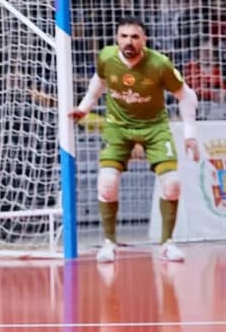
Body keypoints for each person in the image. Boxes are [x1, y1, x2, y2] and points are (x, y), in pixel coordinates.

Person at [70, 16, 199, 262]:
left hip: (154, 128)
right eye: (124, 36)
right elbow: (97, 85)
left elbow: (187, 96)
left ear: (144, 40)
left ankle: (167, 244)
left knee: (172, 184)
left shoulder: (160, 64)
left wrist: (190, 134)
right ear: (117, 38)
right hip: (118, 127)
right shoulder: (106, 57)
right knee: (107, 183)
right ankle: (109, 243)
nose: (129, 41)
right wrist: (84, 108)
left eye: (135, 37)